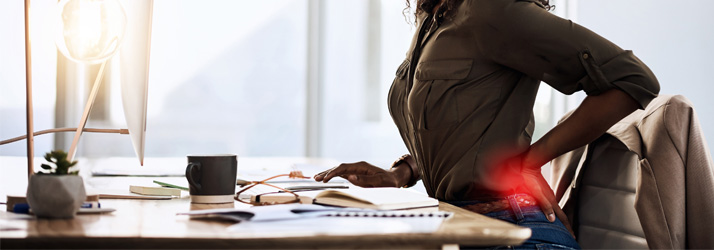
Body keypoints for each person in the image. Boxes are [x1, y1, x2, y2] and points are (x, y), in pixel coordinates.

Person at [314, 0, 660, 249]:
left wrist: (527, 162)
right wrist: (402, 173)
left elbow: (633, 80)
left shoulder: (493, 11)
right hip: (465, 226)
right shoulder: (435, 13)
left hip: (516, 231)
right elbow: (461, 121)